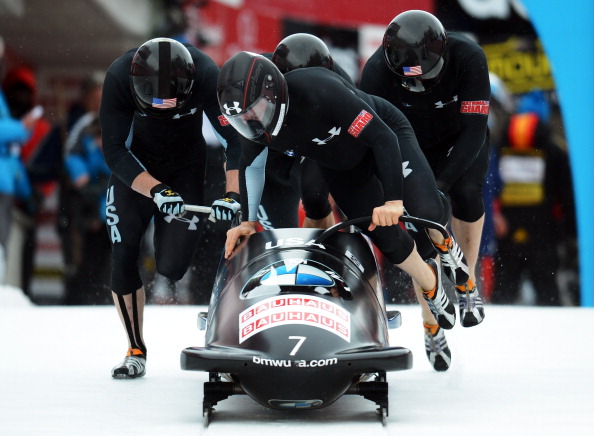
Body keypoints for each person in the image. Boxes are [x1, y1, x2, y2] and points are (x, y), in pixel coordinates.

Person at [217, 52, 470, 371]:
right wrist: (247, 221)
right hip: (339, 163)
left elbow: (382, 137)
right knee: (386, 239)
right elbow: (251, 167)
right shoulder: (257, 128)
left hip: (382, 138)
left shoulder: (321, 90)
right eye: (242, 118)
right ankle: (431, 284)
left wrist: (392, 200)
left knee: (425, 212)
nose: (250, 122)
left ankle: (450, 254)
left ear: (273, 92)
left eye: (253, 112)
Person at [100, 37, 242, 378]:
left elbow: (235, 139)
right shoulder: (119, 76)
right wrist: (155, 189)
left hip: (185, 167)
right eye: (153, 102)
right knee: (124, 250)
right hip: (135, 169)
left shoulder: (208, 74)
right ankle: (135, 348)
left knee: (172, 267)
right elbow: (115, 151)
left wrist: (232, 195)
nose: (162, 108)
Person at [360, 9, 487, 327]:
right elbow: (377, 140)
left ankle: (466, 281)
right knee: (421, 227)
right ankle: (431, 317)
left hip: (459, 139)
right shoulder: (376, 72)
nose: (421, 85)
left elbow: (475, 130)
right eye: (411, 80)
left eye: (428, 75)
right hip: (411, 145)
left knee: (467, 192)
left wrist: (442, 183)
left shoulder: (469, 57)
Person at [492, 90, 577, 305]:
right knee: (547, 292)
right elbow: (566, 195)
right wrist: (570, 232)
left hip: (507, 228)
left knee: (504, 293)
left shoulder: (501, 146)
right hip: (545, 229)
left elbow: (489, 185)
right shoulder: (555, 150)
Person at [2, 66, 58, 297]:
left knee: (19, 251)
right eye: (16, 91)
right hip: (9, 193)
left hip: (22, 196)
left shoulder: (40, 128)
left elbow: (47, 164)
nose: (21, 97)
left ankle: (19, 293)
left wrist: (32, 193)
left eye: (26, 92)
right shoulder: (16, 124)